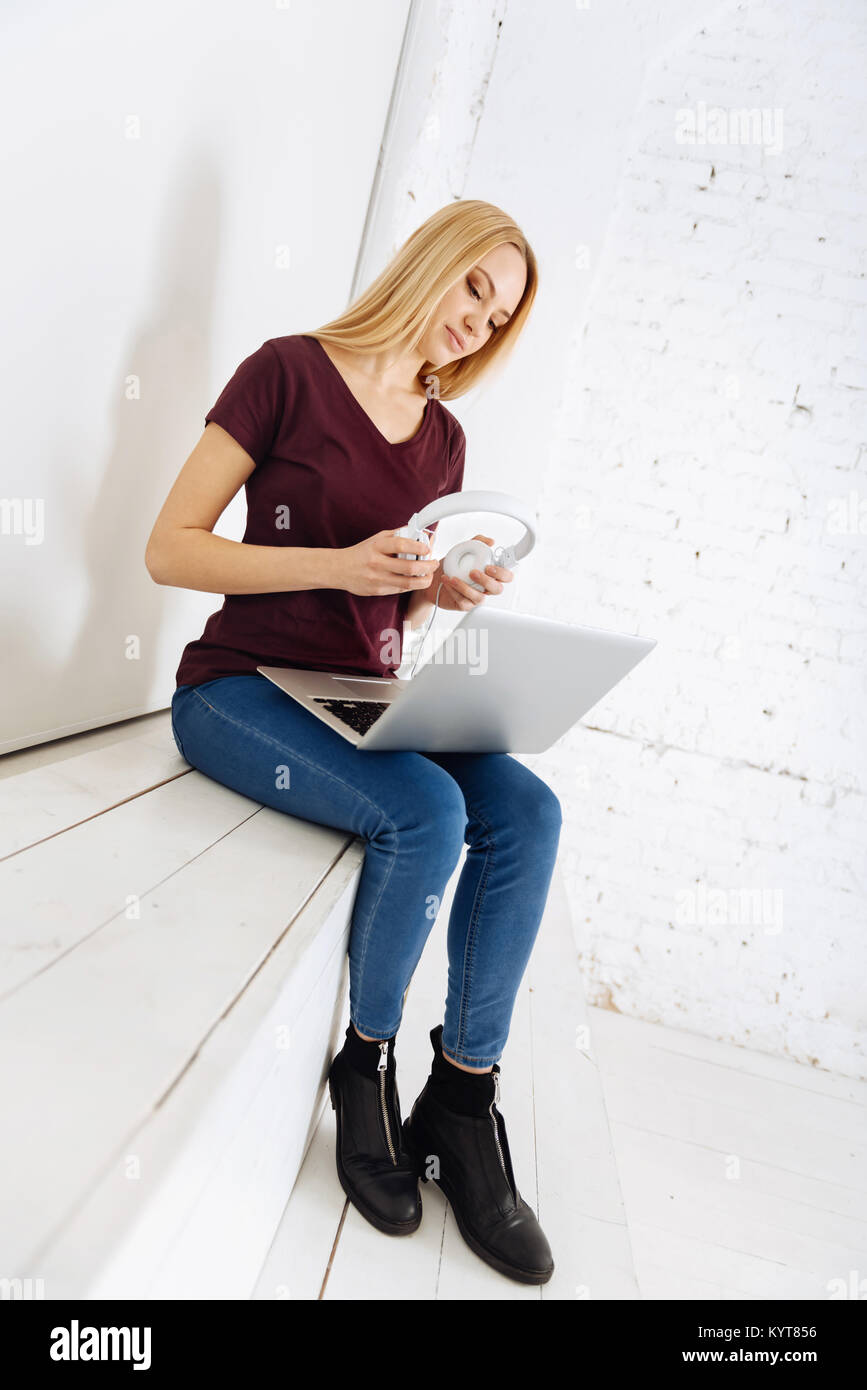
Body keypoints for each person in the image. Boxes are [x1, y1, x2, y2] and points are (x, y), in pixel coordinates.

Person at [145, 199, 562, 1286]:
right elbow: (169, 549)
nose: (479, 321)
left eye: (500, 315)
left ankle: (464, 1098)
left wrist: (439, 591)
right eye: (475, 286)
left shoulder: (444, 437)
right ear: (430, 261)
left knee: (529, 809)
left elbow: (391, 610)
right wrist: (336, 564)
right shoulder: (283, 371)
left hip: (357, 691)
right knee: (426, 810)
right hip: (240, 686)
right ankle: (365, 1065)